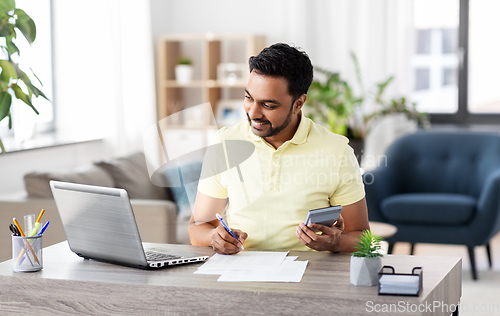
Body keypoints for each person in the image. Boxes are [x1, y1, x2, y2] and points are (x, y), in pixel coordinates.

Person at [188, 43, 370, 254]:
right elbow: (198, 227)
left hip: (307, 277)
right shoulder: (225, 143)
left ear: (298, 104)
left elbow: (363, 238)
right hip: (240, 272)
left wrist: (336, 243)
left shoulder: (337, 151)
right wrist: (214, 237)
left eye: (268, 105)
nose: (253, 113)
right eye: (249, 98)